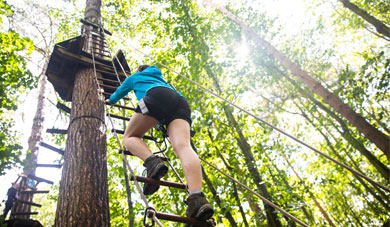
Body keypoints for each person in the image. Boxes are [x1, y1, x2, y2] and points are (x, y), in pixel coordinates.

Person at [107, 65, 214, 222]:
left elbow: (118, 93)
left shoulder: (134, 78)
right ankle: (197, 197)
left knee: (129, 137)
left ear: (139, 71)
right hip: (180, 101)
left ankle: (152, 162)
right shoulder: (162, 79)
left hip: (157, 96)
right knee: (184, 147)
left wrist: (109, 100)